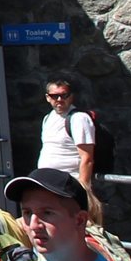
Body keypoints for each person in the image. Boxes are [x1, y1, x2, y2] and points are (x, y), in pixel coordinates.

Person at [37, 75, 99, 210]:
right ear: (48, 98)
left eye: (64, 95)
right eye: (54, 96)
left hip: (70, 187)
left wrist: (84, 192)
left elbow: (87, 158)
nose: (59, 100)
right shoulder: (48, 118)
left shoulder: (79, 119)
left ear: (71, 97)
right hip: (48, 185)